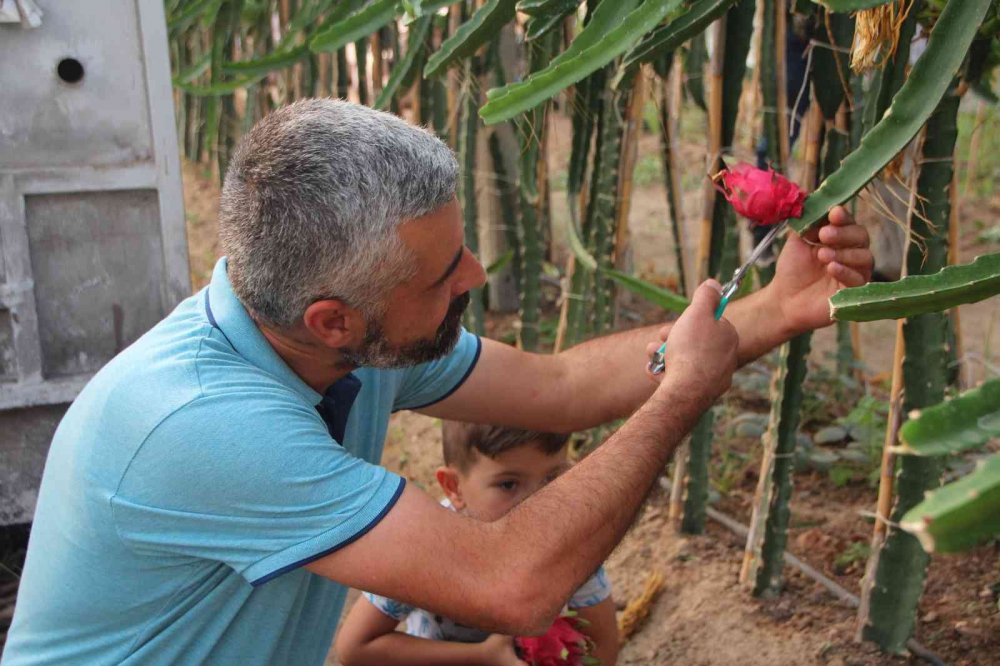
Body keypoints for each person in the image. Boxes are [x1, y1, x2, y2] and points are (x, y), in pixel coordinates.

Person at [3, 99, 872, 665]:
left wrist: (775, 309)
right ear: (333, 319)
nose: (477, 274)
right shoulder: (206, 425)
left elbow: (563, 387)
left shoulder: (342, 347)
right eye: (441, 274)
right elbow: (513, 585)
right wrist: (682, 394)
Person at [335, 423, 618, 666]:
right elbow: (356, 647)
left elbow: (603, 645)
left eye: (552, 478)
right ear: (454, 488)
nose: (539, 503)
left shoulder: (566, 538)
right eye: (508, 484)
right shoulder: (426, 546)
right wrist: (482, 656)